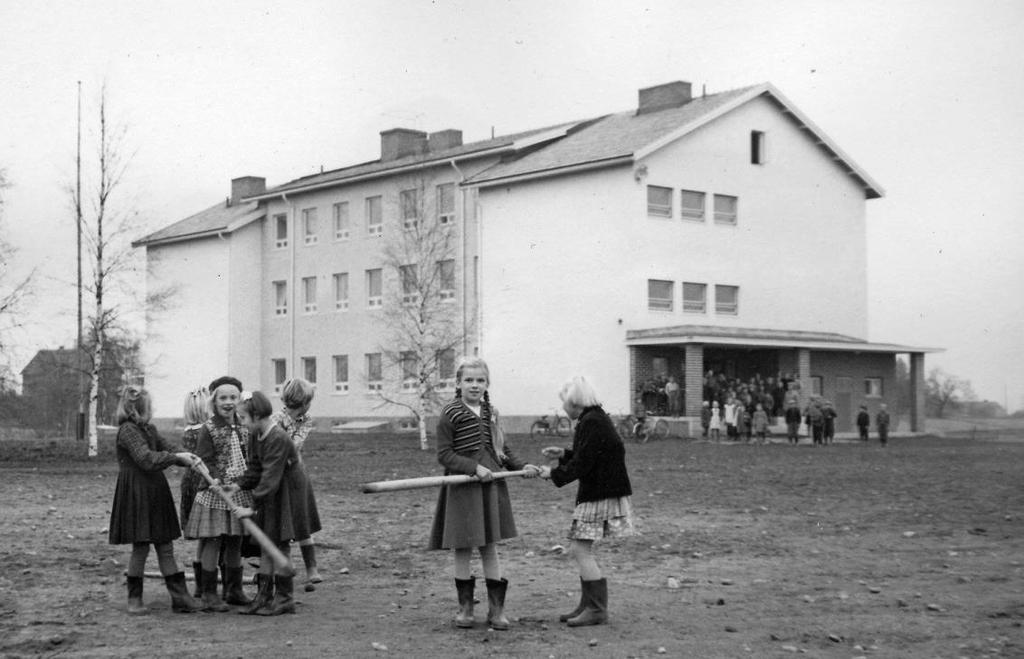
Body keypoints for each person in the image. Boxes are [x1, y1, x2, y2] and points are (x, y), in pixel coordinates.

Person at [428, 357, 541, 630]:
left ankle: (496, 610)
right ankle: (466, 610)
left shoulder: (491, 412)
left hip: (491, 484)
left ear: (487, 383)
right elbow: (444, 455)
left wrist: (521, 466)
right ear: (457, 383)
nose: (475, 385)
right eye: (469, 380)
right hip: (463, 487)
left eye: (480, 380)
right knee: (464, 545)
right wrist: (472, 468)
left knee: (489, 544)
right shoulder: (450, 413)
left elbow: (502, 449)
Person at [540, 376, 634, 627]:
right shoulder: (596, 419)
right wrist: (563, 454)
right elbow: (590, 455)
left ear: (574, 403)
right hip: (602, 491)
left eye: (564, 403)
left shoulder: (590, 422)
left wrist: (553, 473)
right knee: (581, 548)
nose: (562, 408)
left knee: (581, 549)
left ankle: (596, 609)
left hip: (599, 494)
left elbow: (584, 463)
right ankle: (588, 604)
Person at [108, 385, 202, 614]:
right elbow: (146, 459)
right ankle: (134, 600)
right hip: (137, 493)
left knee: (165, 545)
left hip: (155, 490)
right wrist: (176, 457)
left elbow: (167, 448)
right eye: (150, 407)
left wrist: (186, 457)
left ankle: (180, 599)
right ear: (139, 409)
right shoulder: (128, 431)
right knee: (141, 547)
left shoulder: (148, 428)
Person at [233, 391, 322, 616]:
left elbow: (270, 476)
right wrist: (237, 486)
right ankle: (263, 597)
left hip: (289, 488)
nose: (241, 423)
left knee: (279, 540)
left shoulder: (277, 438)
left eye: (243, 418)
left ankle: (285, 598)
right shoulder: (255, 434)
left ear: (257, 416)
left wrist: (251, 507)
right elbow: (255, 467)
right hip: (273, 486)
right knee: (267, 542)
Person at [183, 376, 253, 612]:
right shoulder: (209, 428)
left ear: (239, 400)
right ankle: (209, 594)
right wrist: (215, 478)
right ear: (214, 401)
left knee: (235, 541)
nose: (228, 402)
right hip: (214, 493)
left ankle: (234, 590)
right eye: (223, 398)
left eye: (233, 397)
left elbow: (250, 456)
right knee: (213, 540)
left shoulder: (245, 425)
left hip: (238, 491)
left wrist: (244, 482)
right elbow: (204, 459)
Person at [271, 378, 323, 592]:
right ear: (303, 402)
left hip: (296, 474)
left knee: (303, 520)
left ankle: (312, 568)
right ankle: (286, 566)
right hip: (278, 475)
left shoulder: (306, 419)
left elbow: (295, 445)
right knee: (284, 521)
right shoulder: (275, 420)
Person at [179, 387, 209, 598]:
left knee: (203, 538)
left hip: (190, 481)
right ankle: (206, 583)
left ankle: (201, 585)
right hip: (204, 480)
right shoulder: (205, 430)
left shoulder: (188, 431)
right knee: (209, 535)